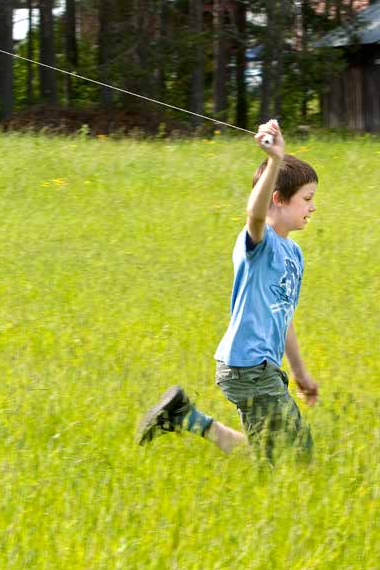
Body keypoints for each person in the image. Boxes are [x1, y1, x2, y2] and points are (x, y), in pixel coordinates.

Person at [136, 119, 319, 461]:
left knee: (272, 455)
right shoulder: (258, 244)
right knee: (297, 457)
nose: (313, 207)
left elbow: (285, 316)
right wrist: (275, 160)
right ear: (278, 199)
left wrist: (299, 372)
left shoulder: (294, 254)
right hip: (248, 367)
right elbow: (254, 213)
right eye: (306, 199)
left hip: (263, 369)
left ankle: (184, 415)